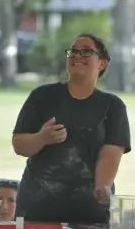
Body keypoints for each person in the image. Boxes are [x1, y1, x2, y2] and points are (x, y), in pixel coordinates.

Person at [12, 33, 131, 223]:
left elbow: (111, 153)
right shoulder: (42, 96)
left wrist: (102, 187)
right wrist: (41, 138)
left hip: (89, 214)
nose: (77, 55)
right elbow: (19, 145)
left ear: (102, 62)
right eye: (73, 51)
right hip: (37, 211)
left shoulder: (113, 106)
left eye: (86, 51)